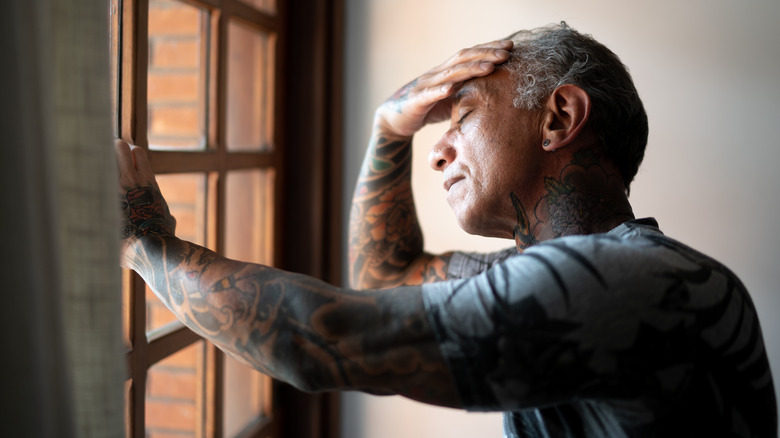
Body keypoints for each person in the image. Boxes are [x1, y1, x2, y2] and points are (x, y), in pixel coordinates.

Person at [118, 23, 777, 437]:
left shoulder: (628, 284)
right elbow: (386, 277)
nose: (440, 149)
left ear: (558, 120)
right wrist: (388, 129)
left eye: (461, 116)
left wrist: (143, 239)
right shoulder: (574, 269)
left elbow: (321, 339)